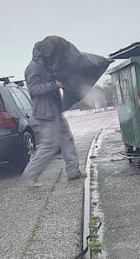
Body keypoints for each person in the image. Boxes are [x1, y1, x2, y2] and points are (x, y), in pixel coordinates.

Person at [22, 37, 86, 187]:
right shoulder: (34, 68)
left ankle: (73, 172)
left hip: (54, 110)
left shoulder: (45, 65)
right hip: (46, 113)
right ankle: (30, 175)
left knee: (67, 140)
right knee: (49, 145)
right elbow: (33, 89)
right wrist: (54, 85)